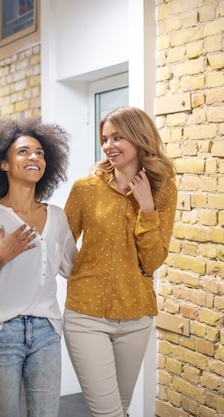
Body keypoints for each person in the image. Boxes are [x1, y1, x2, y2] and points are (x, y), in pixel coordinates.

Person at [0, 117, 78, 417]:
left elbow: (74, 269)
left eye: (39, 152)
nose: (34, 157)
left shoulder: (58, 218)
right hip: (1, 333)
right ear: (3, 164)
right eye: (23, 151)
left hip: (46, 330)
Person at [63, 106, 178, 417]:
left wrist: (147, 208)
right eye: (104, 139)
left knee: (120, 408)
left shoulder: (163, 191)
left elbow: (153, 261)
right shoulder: (86, 189)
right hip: (86, 315)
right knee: (108, 412)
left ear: (140, 138)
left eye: (117, 137)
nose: (108, 146)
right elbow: (60, 243)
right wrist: (81, 271)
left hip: (136, 315)